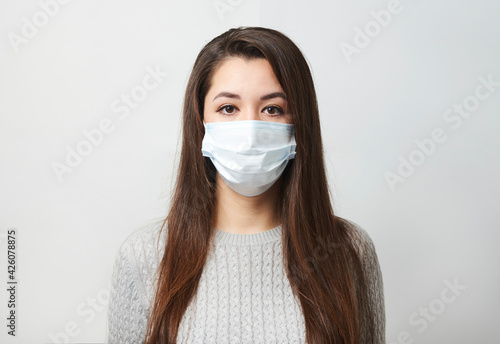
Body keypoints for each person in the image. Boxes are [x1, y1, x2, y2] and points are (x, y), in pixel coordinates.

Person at [106, 26, 385, 344]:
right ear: (200, 123)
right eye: (228, 108)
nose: (250, 131)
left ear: (299, 125)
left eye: (272, 109)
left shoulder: (349, 251)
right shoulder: (144, 255)